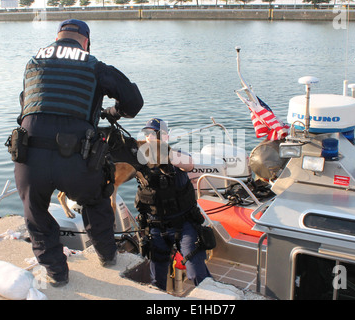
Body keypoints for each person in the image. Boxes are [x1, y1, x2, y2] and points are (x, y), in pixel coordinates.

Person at [12, 19, 143, 287]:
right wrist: (111, 112)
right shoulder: (94, 65)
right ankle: (107, 256)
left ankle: (56, 274)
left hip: (30, 156)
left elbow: (25, 105)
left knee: (35, 211)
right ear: (86, 42)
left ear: (57, 38)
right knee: (96, 199)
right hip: (76, 158)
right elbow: (133, 102)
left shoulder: (33, 63)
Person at [135, 118, 211, 291]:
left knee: (195, 271)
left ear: (166, 136)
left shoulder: (176, 154)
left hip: (184, 225)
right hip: (155, 226)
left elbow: (190, 164)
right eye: (147, 134)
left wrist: (164, 153)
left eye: (154, 134)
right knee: (156, 279)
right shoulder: (140, 160)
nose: (150, 137)